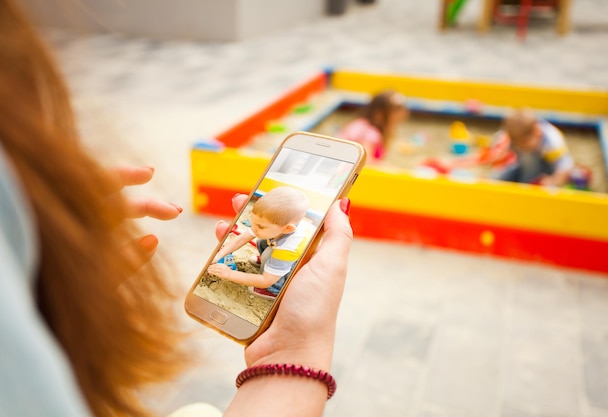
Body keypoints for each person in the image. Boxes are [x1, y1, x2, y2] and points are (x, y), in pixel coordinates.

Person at [0, 1, 354, 416]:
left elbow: (271, 274)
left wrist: (42, 299)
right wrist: (300, 350)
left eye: (260, 224)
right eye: (253, 218)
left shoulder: (284, 246)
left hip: (266, 282)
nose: (252, 226)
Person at [208, 186, 316, 298]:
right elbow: (242, 238)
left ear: (287, 228)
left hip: (300, 265)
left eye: (260, 226)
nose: (254, 228)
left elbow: (266, 280)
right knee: (261, 240)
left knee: (269, 254)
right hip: (282, 248)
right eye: (253, 221)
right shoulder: (272, 223)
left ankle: (275, 289)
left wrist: (229, 274)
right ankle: (270, 264)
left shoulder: (288, 247)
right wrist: (219, 255)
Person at [495, 108, 575, 186]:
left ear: (536, 132)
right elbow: (497, 149)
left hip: (546, 168)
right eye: (516, 143)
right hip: (519, 164)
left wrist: (552, 181)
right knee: (498, 176)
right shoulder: (511, 133)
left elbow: (565, 166)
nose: (520, 146)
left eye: (523, 143)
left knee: (529, 160)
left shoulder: (552, 141)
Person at [338, 90, 409, 163]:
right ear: (380, 115)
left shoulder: (361, 123)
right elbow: (365, 161)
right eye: (394, 121)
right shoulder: (371, 133)